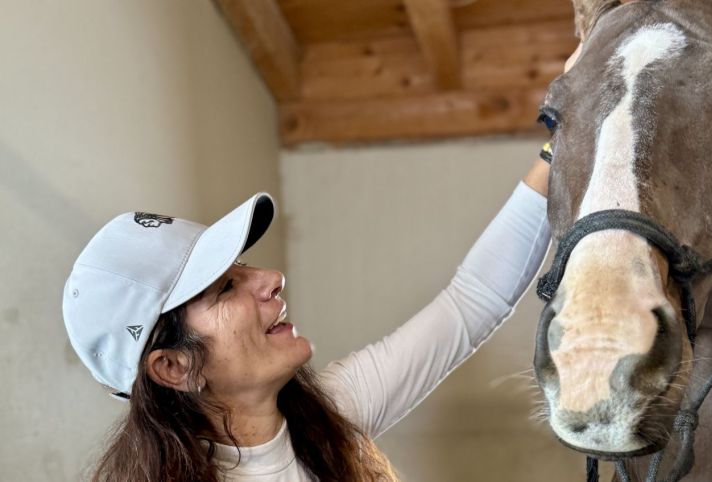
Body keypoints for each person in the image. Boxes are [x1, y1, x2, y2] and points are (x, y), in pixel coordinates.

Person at [63, 157, 552, 481]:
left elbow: (473, 301)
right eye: (227, 287)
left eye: (244, 268)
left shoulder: (327, 416)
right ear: (174, 368)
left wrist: (562, 137)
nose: (272, 277)